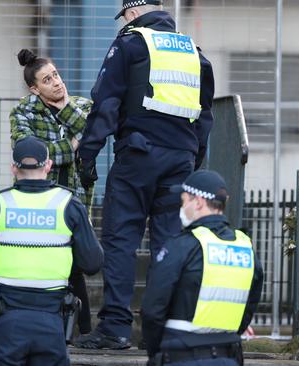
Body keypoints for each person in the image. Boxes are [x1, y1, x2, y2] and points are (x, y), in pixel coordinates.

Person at [74, 0, 215, 349]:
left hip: (138, 157)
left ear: (132, 13)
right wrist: (193, 159)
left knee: (121, 239)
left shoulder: (130, 43)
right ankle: (161, 330)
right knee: (167, 245)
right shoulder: (194, 52)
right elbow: (205, 114)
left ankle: (116, 329)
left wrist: (88, 154)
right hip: (180, 160)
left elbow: (106, 102)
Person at [0, 136, 104, 366]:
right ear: (48, 166)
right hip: (51, 324)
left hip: (3, 321)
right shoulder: (69, 206)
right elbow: (93, 263)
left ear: (14, 168)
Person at [10, 48, 95, 338]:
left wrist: (65, 109)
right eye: (47, 80)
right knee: (44, 262)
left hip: (76, 197)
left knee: (76, 265)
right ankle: (48, 329)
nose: (57, 82)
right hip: (39, 198)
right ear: (34, 88)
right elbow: (27, 151)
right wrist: (71, 147)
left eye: (56, 75)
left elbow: (92, 132)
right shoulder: (23, 111)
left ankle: (83, 331)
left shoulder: (83, 105)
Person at [140, 170, 263, 365]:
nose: (182, 207)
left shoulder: (182, 245)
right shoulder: (245, 247)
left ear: (198, 202)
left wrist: (157, 352)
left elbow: (152, 309)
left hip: (181, 355)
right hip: (227, 356)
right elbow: (249, 306)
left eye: (184, 201)